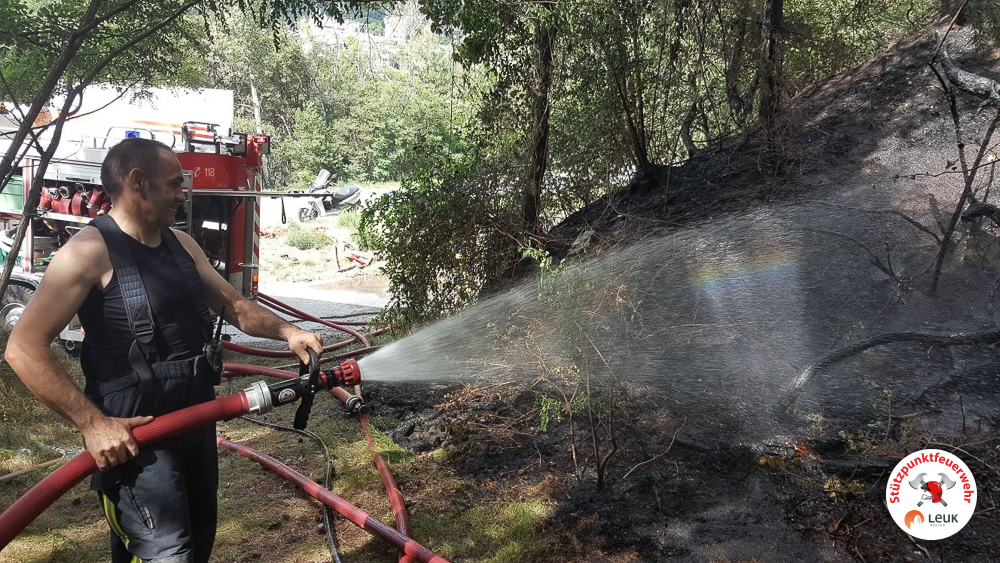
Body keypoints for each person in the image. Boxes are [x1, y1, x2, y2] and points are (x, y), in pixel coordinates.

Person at [4, 137, 323, 562]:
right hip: (133, 434)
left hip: (194, 418)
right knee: (166, 553)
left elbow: (237, 307)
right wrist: (93, 423)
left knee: (199, 537)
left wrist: (288, 332)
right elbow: (23, 348)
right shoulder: (86, 254)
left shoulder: (183, 246)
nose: (183, 193)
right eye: (174, 183)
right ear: (138, 182)